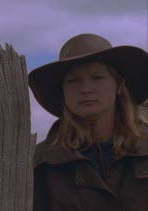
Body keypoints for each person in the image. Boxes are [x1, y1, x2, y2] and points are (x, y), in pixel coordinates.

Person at [28, 33, 148, 211]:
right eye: (74, 80)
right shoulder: (39, 164)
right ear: (63, 92)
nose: (85, 89)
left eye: (97, 77)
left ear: (119, 85)